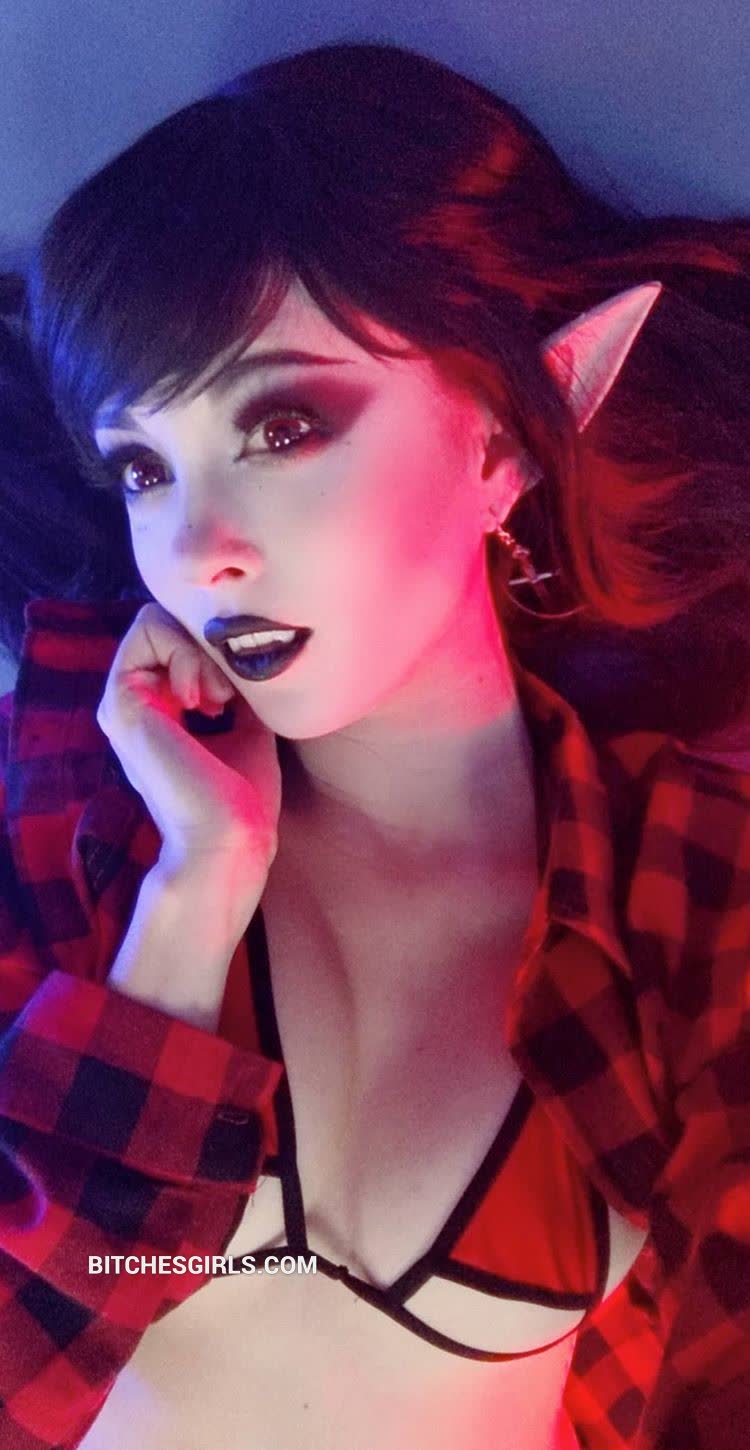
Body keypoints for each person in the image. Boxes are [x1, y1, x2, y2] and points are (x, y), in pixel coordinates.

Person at [0, 37, 748, 1450]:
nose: (197, 553)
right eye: (144, 467)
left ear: (505, 440)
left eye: (281, 425)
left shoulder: (689, 895)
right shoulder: (68, 816)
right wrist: (187, 908)